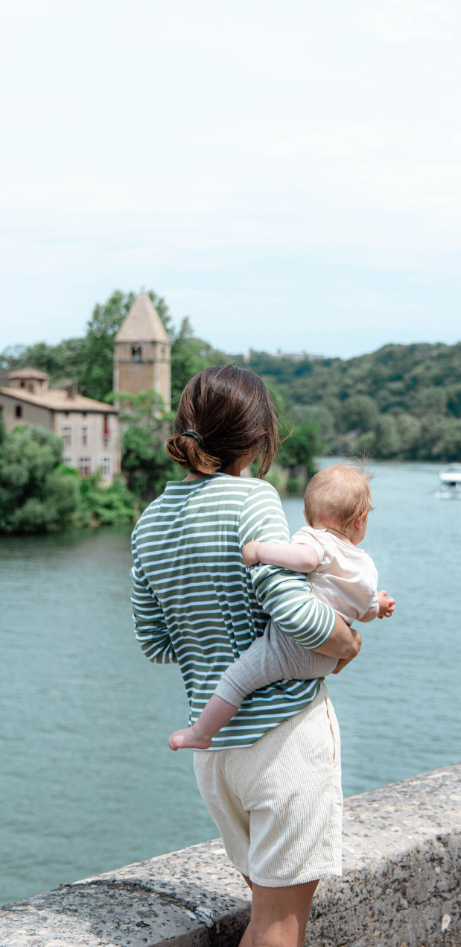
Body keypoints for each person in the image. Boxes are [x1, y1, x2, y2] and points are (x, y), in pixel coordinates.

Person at [130, 365, 361, 947]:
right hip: (280, 740)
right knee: (281, 928)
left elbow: (155, 642)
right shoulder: (253, 499)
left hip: (217, 756)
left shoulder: (149, 521)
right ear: (259, 438)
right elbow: (296, 615)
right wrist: (346, 643)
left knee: (264, 920)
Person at [167, 463, 395, 752]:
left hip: (290, 647)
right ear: (361, 521)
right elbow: (366, 613)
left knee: (236, 680)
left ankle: (200, 732)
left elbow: (304, 560)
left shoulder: (314, 537)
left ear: (306, 516)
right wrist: (380, 603)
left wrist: (259, 550)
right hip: (326, 660)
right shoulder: (365, 566)